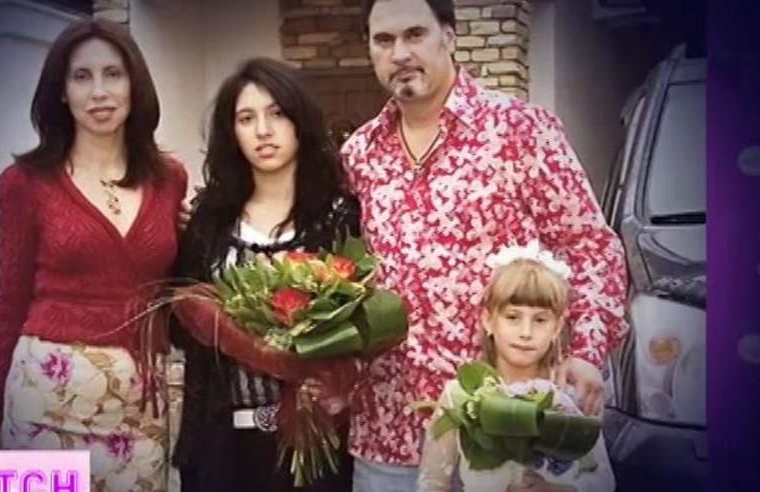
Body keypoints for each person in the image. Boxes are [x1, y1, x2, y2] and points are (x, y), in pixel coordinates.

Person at [340, 0, 629, 490]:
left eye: (415, 34)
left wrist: (585, 350)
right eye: (384, 40)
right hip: (392, 430)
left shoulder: (520, 130)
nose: (400, 53)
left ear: (450, 37)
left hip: (509, 429)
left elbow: (591, 248)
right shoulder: (360, 154)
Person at [0, 18, 188, 491]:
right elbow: (7, 304)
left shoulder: (169, 179)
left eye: (113, 74)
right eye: (81, 76)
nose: (99, 92)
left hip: (141, 409)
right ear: (61, 91)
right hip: (44, 404)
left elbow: (170, 287)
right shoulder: (23, 184)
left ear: (134, 84)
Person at [171, 57, 358, 492]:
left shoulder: (338, 218)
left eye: (277, 114)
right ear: (231, 132)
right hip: (222, 445)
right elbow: (180, 324)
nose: (263, 130)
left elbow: (359, 331)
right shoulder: (208, 221)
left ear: (300, 122)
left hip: (315, 442)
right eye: (246, 118)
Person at [416, 244, 616, 492]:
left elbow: (603, 482)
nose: (526, 332)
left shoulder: (571, 393)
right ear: (488, 320)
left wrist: (555, 490)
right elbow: (432, 483)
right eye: (512, 317)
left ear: (556, 327)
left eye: (540, 320)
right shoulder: (461, 395)